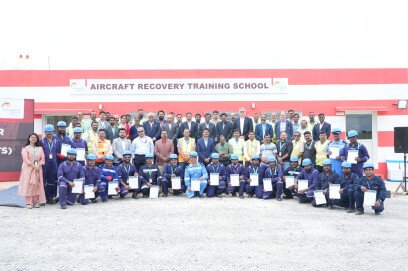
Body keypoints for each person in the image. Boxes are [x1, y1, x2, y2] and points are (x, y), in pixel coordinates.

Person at [19, 133, 46, 208]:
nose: (33, 138)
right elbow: (25, 159)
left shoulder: (40, 148)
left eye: (35, 137)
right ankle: (28, 202)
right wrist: (33, 166)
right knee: (29, 184)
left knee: (37, 184)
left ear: (37, 139)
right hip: (28, 168)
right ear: (29, 138)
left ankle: (36, 201)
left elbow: (43, 158)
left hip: (38, 168)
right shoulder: (25, 148)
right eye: (32, 137)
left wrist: (38, 165)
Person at [40, 125, 58, 204]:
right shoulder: (41, 141)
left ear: (53, 132)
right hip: (45, 164)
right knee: (43, 180)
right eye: (47, 131)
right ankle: (43, 198)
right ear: (45, 132)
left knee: (52, 180)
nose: (49, 133)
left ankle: (50, 197)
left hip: (54, 163)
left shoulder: (56, 141)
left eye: (50, 131)